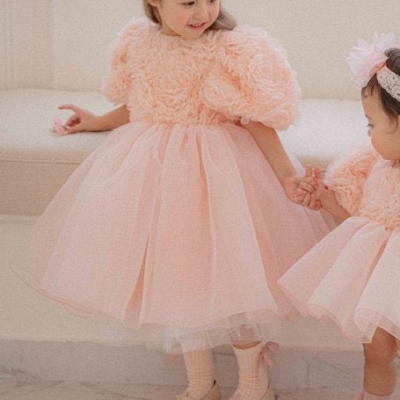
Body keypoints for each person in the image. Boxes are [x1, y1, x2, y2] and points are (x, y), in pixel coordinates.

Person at [18, 1, 330, 399]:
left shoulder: (229, 48)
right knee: (177, 282)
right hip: (158, 181)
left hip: (221, 180)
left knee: (238, 281)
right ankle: (201, 383)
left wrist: (287, 176)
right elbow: (140, 103)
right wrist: (98, 121)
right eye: (187, 2)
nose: (202, 12)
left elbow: (254, 121)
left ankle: (254, 383)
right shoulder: (139, 43)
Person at [279, 33, 400, 400]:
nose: (368, 134)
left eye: (372, 124)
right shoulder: (376, 167)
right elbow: (358, 226)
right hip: (379, 289)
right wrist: (327, 200)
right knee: (376, 352)